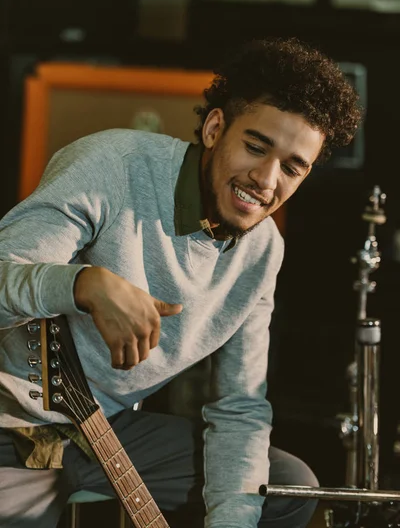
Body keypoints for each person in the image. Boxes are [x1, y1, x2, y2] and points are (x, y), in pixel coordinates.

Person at [0, 38, 361, 528]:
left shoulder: (263, 250)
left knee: (285, 487)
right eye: (256, 147)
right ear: (216, 128)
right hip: (11, 422)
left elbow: (239, 407)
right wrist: (81, 284)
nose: (266, 179)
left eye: (293, 168)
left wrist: (232, 519)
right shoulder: (112, 165)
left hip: (108, 428)